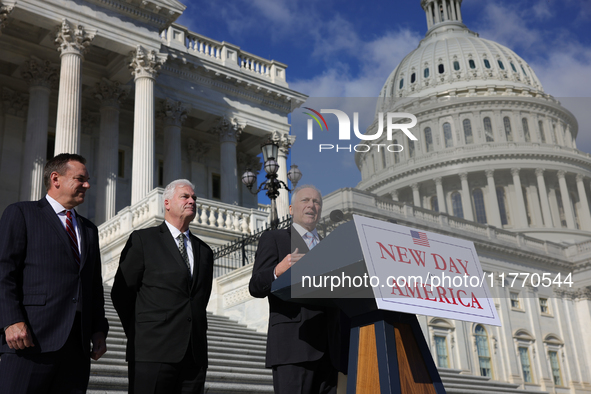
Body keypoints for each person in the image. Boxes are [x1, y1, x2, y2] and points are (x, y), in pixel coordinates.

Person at [0, 153, 109, 394]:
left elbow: (93, 285)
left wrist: (99, 329)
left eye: (87, 179)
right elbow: (4, 271)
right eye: (80, 179)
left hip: (76, 347)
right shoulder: (21, 213)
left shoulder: (89, 230)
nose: (87, 185)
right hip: (30, 339)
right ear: (56, 178)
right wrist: (10, 320)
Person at [111, 179, 214, 394]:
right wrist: (143, 331)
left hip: (194, 356)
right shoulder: (143, 240)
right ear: (167, 203)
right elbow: (122, 293)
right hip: (152, 352)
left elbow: (199, 299)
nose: (192, 201)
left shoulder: (205, 251)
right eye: (185, 196)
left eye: (194, 197)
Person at [249, 185, 345, 394]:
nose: (312, 205)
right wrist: (278, 269)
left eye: (317, 202)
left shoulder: (332, 247)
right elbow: (255, 286)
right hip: (293, 347)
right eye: (305, 200)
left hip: (330, 352)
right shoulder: (275, 238)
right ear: (291, 209)